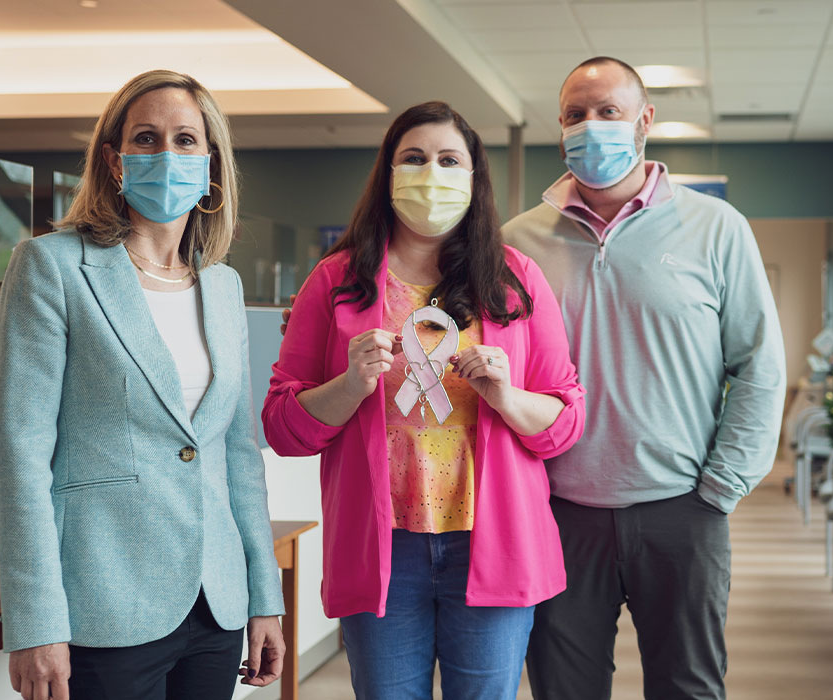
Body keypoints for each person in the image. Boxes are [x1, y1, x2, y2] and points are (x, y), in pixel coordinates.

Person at [262, 101, 585, 700]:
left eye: (448, 160)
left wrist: (507, 397)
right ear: (388, 175)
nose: (430, 173)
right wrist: (350, 385)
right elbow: (284, 427)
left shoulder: (515, 280)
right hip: (384, 546)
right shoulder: (336, 283)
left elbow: (564, 423)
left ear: (471, 177)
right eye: (413, 159)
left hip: (492, 540)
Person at [0, 69, 285, 700]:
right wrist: (35, 621)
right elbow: (22, 459)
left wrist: (265, 595)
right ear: (115, 162)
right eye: (146, 139)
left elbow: (238, 458)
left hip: (213, 604)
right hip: (103, 601)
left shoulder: (224, 287)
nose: (166, 154)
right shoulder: (53, 267)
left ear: (210, 165)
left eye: (185, 141)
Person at [502, 57, 787, 700]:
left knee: (686, 689)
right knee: (563, 689)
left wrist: (721, 487)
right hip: (558, 512)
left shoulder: (716, 229)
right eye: (576, 114)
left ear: (644, 121)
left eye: (609, 111)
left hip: (683, 509)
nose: (592, 126)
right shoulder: (517, 243)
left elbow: (760, 364)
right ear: (560, 128)